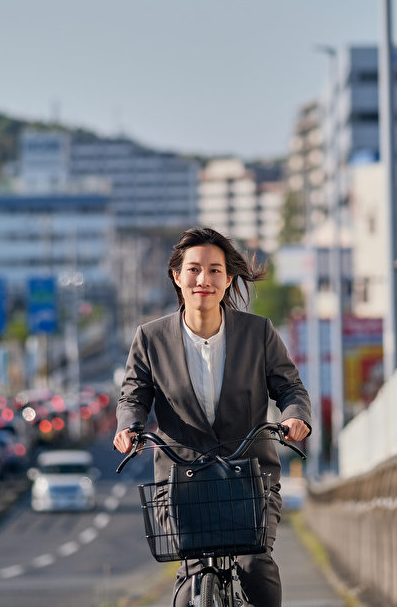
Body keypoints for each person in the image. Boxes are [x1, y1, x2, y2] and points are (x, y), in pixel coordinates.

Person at [114, 226, 312, 607]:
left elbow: (290, 389)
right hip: (183, 482)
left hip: (249, 478)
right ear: (177, 276)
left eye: (215, 270)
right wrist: (129, 428)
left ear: (229, 278)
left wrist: (294, 417)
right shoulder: (150, 338)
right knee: (189, 585)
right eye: (193, 269)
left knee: (255, 566)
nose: (203, 279)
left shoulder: (258, 333)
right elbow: (133, 397)